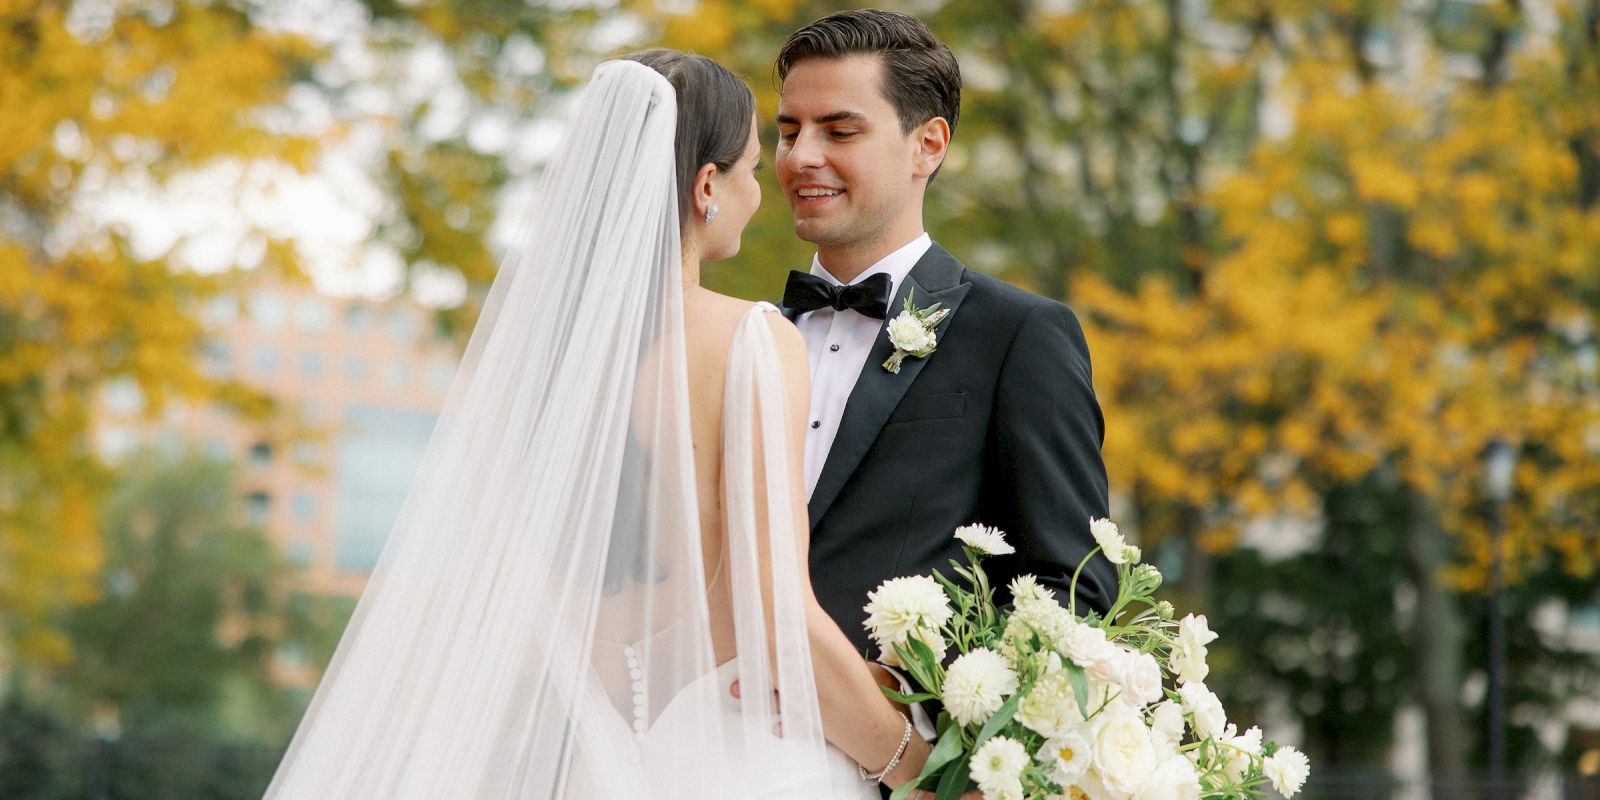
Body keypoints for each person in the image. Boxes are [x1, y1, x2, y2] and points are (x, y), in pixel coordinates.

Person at [266, 51, 926, 798]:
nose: (756, 191)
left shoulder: (525, 379)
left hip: (588, 764)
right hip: (747, 767)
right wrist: (913, 765)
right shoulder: (748, 340)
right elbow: (778, 621)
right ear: (706, 187)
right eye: (747, 168)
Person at [772, 8, 1119, 745]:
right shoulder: (749, 339)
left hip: (905, 768)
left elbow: (1076, 591)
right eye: (787, 130)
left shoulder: (1019, 335)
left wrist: (913, 693)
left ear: (926, 145)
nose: (801, 156)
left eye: (839, 130)